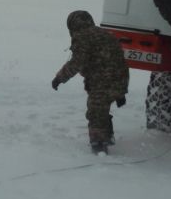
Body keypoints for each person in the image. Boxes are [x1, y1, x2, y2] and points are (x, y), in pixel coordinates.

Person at [51, 10, 130, 154]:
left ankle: (99, 145)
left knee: (96, 111)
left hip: (102, 81)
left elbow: (77, 62)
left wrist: (59, 78)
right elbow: (120, 61)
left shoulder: (83, 37)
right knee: (102, 107)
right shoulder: (106, 34)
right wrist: (121, 91)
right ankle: (108, 135)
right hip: (119, 78)